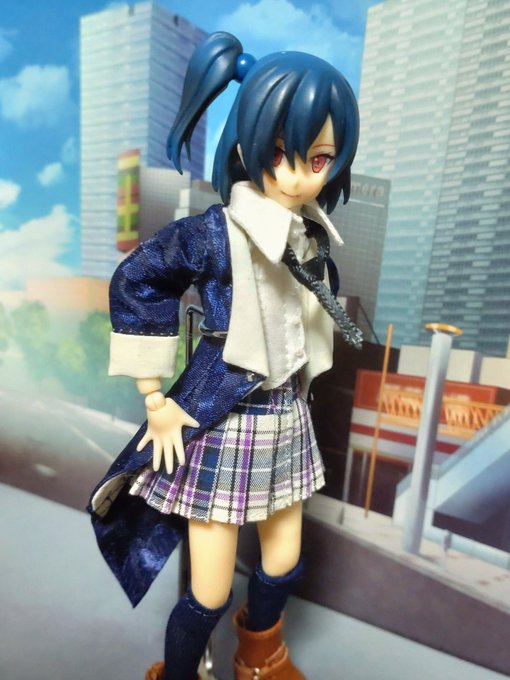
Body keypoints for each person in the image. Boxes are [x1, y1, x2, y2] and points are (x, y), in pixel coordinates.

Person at [88, 31, 361, 680]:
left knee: (283, 561)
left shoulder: (310, 236)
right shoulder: (215, 234)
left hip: (286, 417)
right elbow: (138, 280)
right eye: (282, 153)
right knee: (208, 592)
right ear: (248, 144)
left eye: (320, 158)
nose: (298, 174)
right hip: (221, 422)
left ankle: (259, 656)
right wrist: (155, 399)